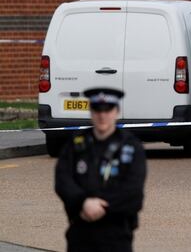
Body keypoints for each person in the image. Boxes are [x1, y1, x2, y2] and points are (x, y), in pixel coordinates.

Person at [55, 88, 146, 252]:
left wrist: (101, 207)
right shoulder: (76, 144)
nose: (102, 115)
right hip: (80, 233)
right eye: (97, 109)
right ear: (91, 112)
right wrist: (83, 202)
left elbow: (133, 191)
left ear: (117, 112)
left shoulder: (131, 147)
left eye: (108, 109)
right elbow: (63, 180)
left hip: (116, 235)